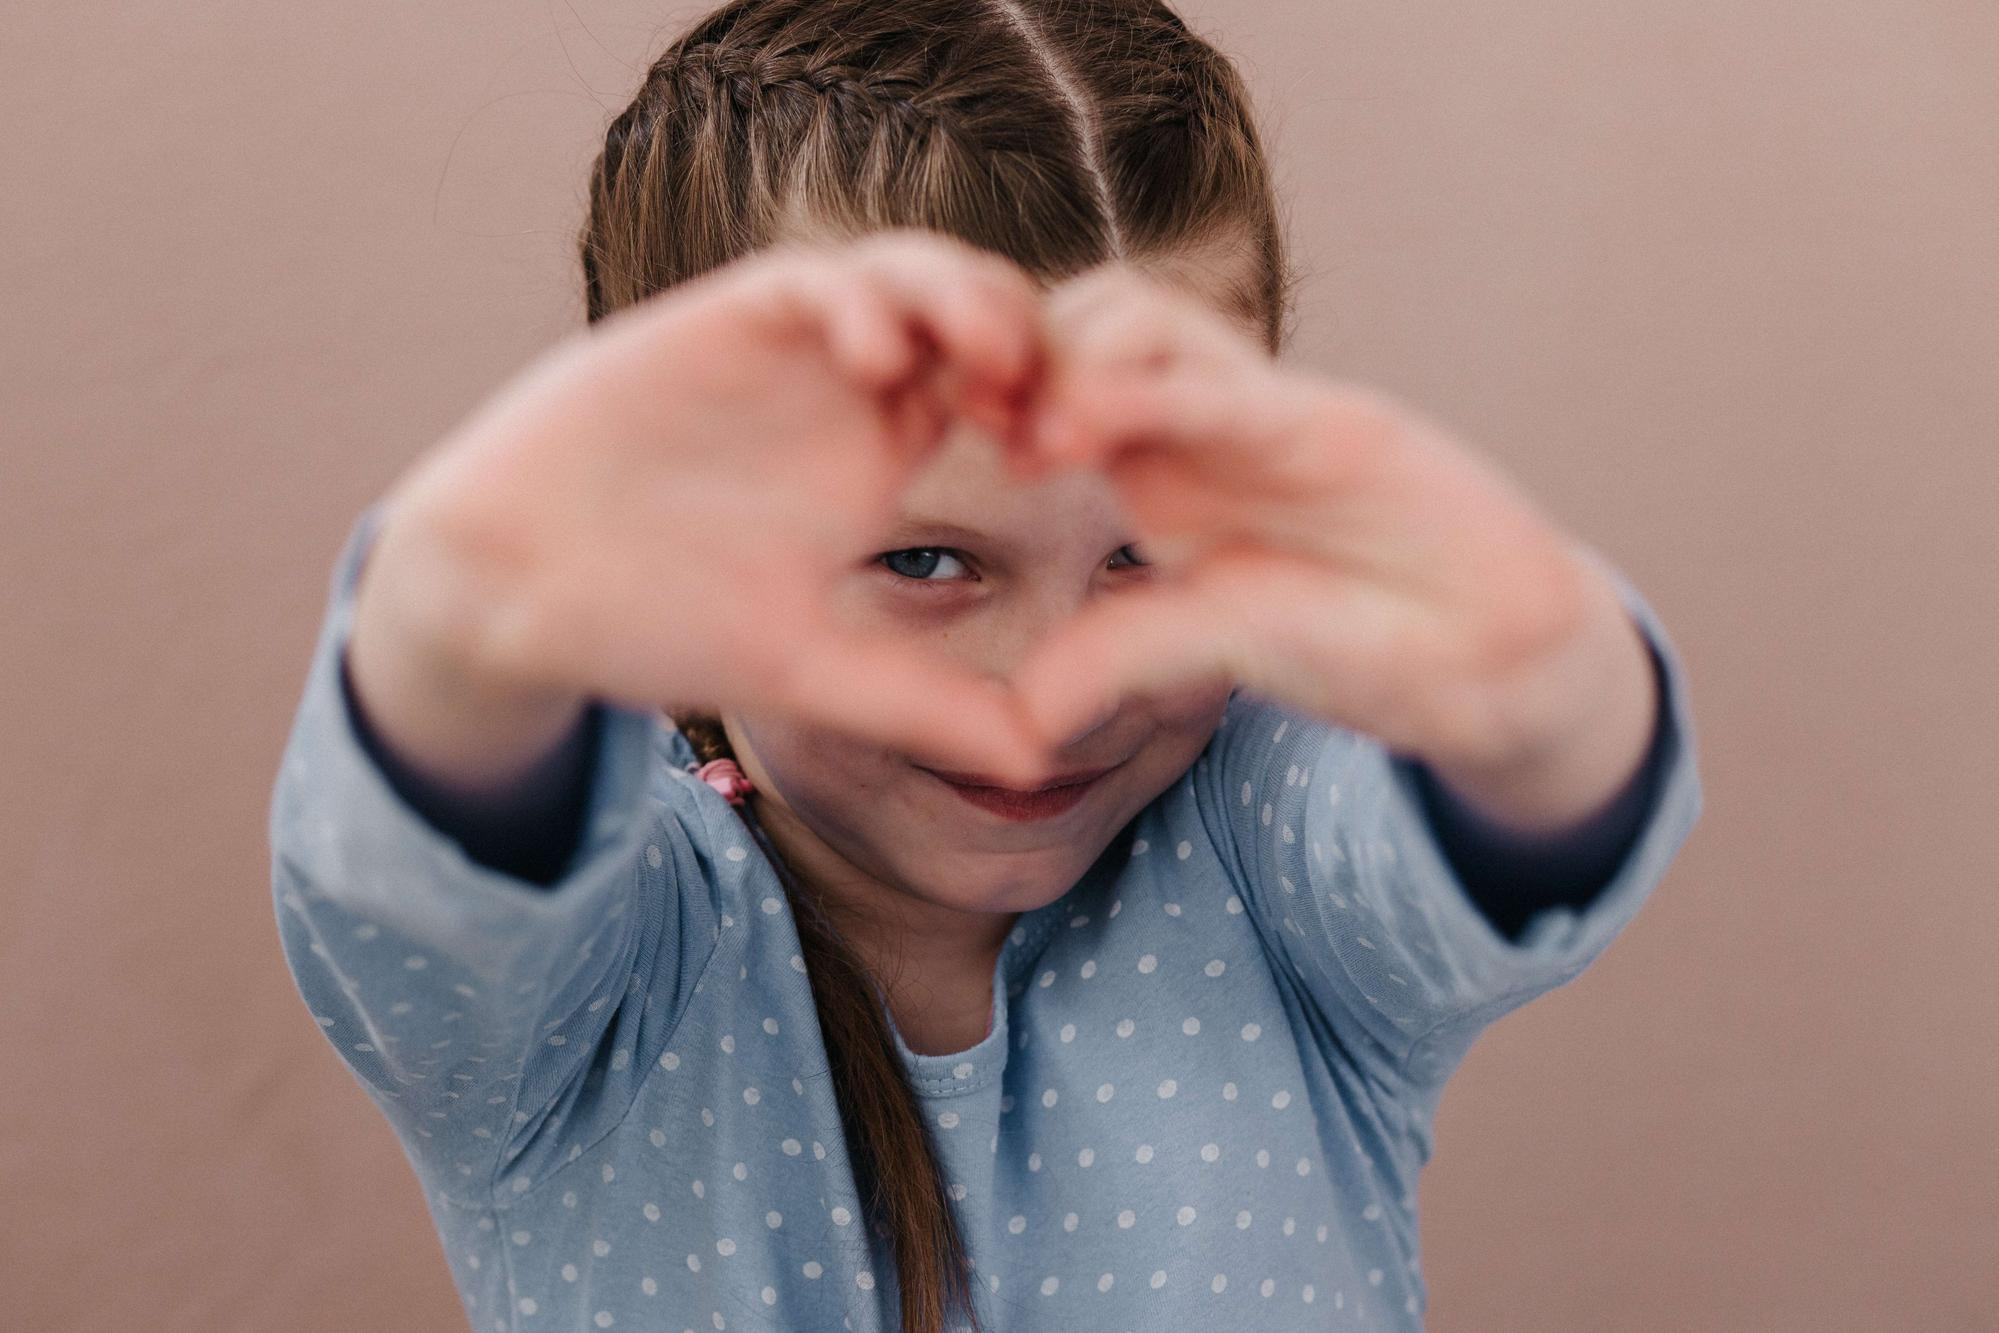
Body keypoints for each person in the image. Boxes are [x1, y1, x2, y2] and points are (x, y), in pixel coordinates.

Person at [267, 2, 1703, 1329]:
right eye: (925, 561)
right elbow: (421, 858)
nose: (1051, 684)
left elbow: (1523, 806)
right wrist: (465, 593)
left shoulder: (1260, 847)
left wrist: (1544, 666)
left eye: (1146, 549)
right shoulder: (606, 956)